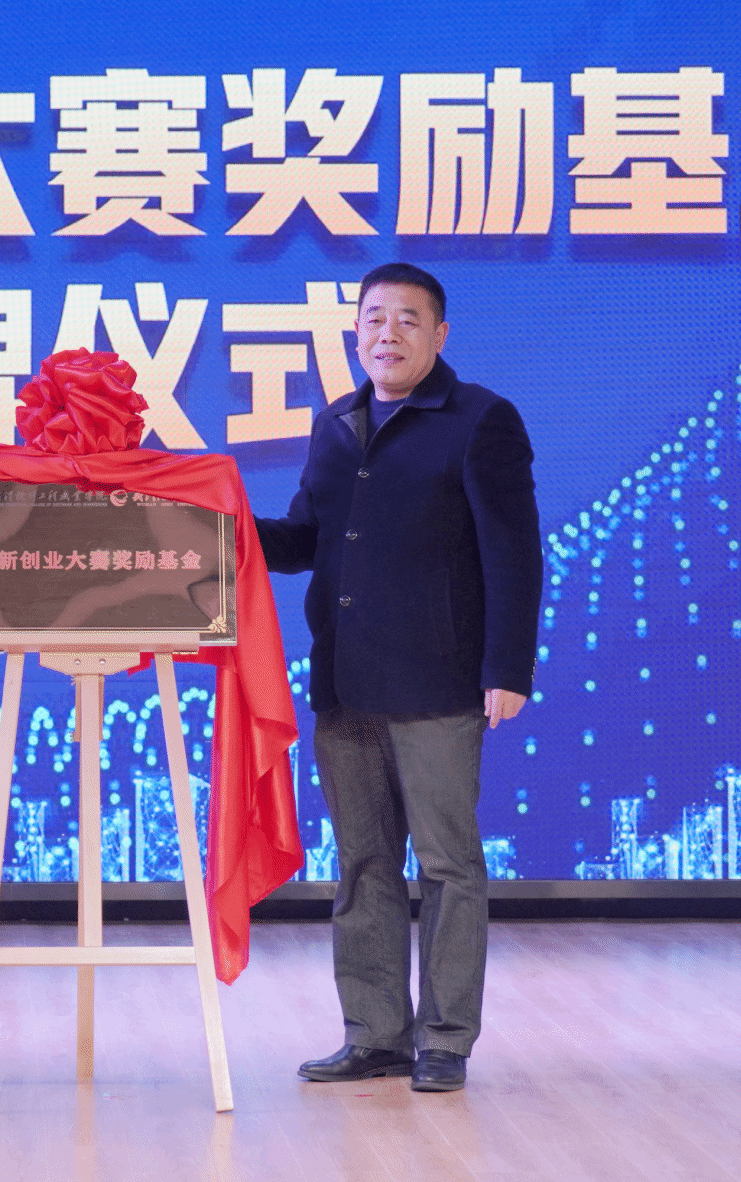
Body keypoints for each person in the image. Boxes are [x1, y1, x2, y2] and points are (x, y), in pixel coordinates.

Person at [255, 262, 540, 1094]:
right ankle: (375, 1033)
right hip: (346, 685)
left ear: (439, 334)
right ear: (355, 332)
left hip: (439, 681)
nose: (388, 333)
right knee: (363, 865)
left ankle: (444, 1038)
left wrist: (508, 667)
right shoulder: (335, 424)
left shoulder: (480, 419)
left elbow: (515, 553)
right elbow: (305, 539)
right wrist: (223, 522)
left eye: (408, 319)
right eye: (374, 318)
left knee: (448, 865)